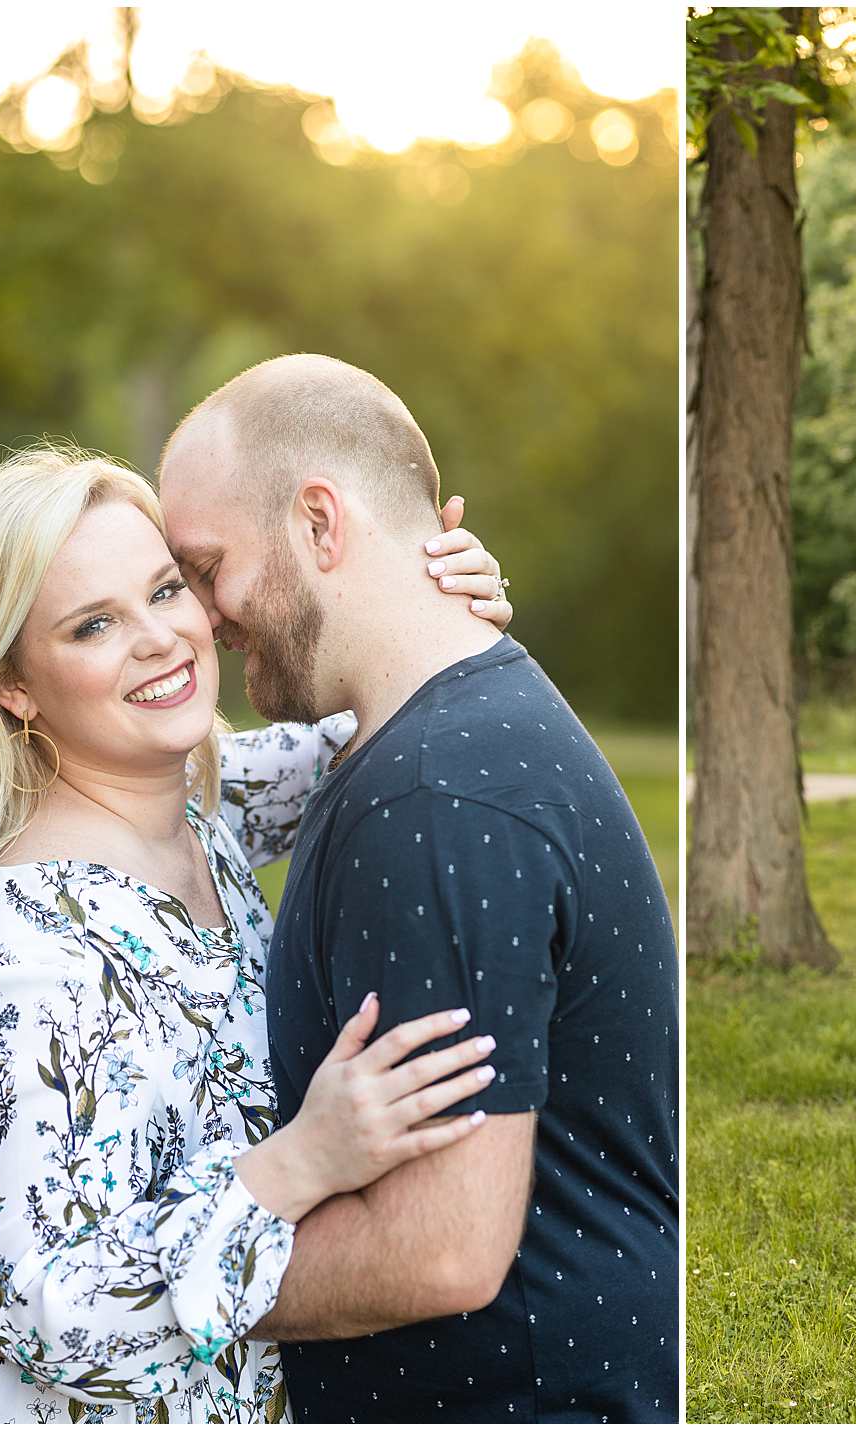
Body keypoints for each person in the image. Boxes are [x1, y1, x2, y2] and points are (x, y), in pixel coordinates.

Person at [0, 443, 516, 1423]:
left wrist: (445, 599)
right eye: (93, 624)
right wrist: (302, 1161)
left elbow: (374, 722)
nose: (158, 639)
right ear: (13, 685)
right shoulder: (40, 963)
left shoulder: (201, 807)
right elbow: (58, 1322)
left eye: (167, 589)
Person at [151, 354, 680, 1422]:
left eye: (206, 568)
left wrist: (125, 1298)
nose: (203, 616)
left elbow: (437, 1249)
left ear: (318, 525)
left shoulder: (434, 799)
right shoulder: (440, 732)